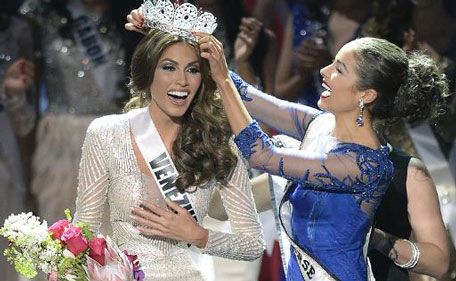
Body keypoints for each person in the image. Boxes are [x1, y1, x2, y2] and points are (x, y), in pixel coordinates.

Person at [193, 33, 448, 280]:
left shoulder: (366, 164)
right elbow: (247, 96)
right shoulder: (320, 125)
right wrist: (197, 50)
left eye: (339, 69)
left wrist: (223, 80)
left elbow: (262, 156)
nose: (323, 72)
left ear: (366, 95)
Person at [73, 1, 265, 281]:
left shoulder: (216, 141)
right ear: (147, 71)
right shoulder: (106, 133)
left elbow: (253, 245)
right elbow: (83, 232)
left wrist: (198, 236)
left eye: (192, 69)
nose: (182, 82)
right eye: (169, 67)